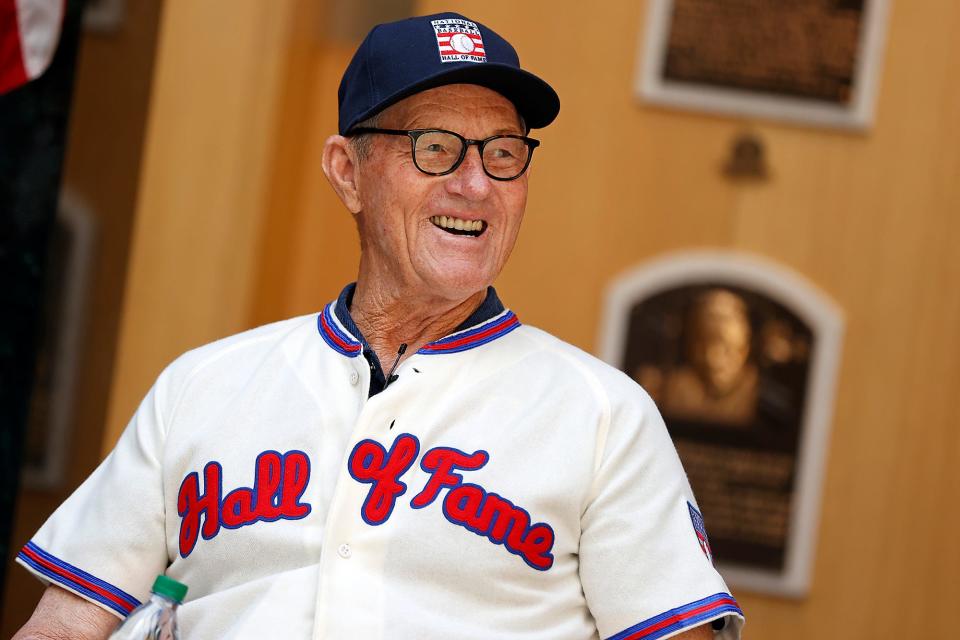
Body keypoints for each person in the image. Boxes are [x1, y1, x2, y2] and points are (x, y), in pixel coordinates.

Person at [14, 13, 744, 640]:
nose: (475, 184)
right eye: (435, 147)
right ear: (347, 171)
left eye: (503, 153)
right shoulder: (203, 386)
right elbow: (65, 624)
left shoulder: (602, 416)